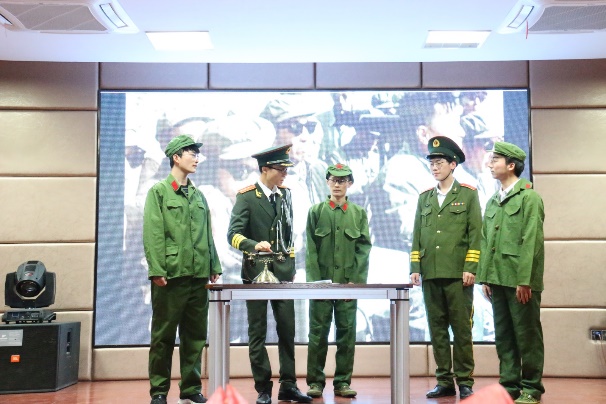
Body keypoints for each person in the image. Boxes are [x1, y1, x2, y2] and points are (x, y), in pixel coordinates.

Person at [227, 144, 312, 404]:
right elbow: (233, 235)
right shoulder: (247, 197)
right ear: (265, 169)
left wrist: (291, 266)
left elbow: (288, 235)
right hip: (256, 274)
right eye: (280, 169)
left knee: (287, 330)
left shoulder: (285, 195)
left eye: (286, 169)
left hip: (283, 273)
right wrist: (254, 245)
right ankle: (263, 388)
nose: (285, 173)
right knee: (257, 332)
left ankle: (289, 384)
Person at [143, 135, 223, 404]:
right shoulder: (159, 192)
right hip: (171, 275)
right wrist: (156, 269)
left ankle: (190, 389)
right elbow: (153, 233)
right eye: (192, 154)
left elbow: (207, 233)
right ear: (176, 157)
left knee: (195, 337)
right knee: (163, 337)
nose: (196, 159)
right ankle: (159, 391)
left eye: (197, 154)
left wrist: (214, 264)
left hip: (198, 276)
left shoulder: (199, 195)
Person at [410, 136, 482, 400]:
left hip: (457, 274)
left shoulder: (468, 194)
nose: (434, 167)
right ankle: (443, 381)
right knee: (437, 329)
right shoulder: (425, 198)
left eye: (439, 162)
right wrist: (415, 266)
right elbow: (417, 234)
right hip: (431, 273)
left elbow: (476, 234)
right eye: (432, 163)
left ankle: (464, 381)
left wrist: (471, 266)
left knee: (461, 330)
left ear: (453, 164)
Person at [477, 142, 545, 404]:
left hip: (519, 280)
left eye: (495, 160)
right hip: (497, 278)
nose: (490, 164)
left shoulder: (529, 198)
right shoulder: (493, 201)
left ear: (511, 165)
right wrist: (485, 277)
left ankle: (531, 388)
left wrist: (524, 280)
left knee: (527, 336)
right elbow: (486, 240)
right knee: (504, 336)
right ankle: (509, 386)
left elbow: (531, 241)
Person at [304, 163, 372, 399]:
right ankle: (315, 382)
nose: (337, 184)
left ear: (349, 183)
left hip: (347, 286)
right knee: (317, 334)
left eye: (342, 180)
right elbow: (310, 250)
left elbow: (363, 248)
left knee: (347, 334)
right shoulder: (316, 212)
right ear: (327, 182)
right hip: (321, 286)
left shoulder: (358, 213)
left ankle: (343, 382)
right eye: (333, 180)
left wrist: (355, 282)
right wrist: (316, 283)